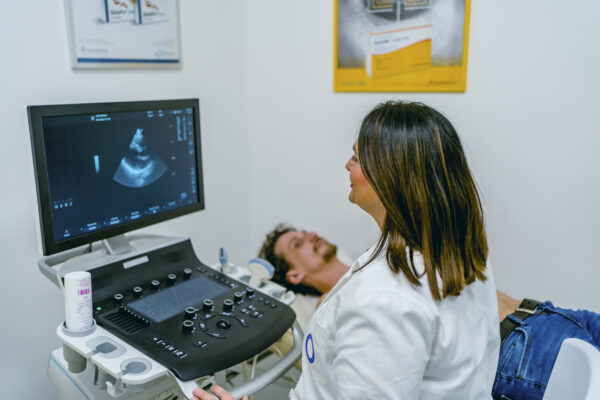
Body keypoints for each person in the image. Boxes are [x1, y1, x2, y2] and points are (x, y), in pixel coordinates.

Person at [192, 101, 500, 400]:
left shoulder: (382, 302)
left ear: (389, 175)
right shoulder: (461, 252)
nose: (347, 165)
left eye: (356, 157)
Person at [259, 224, 600, 400]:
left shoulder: (374, 258)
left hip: (548, 313)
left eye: (304, 232)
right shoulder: (337, 304)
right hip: (520, 348)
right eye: (298, 244)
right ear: (294, 276)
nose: (310, 236)